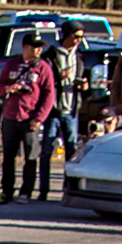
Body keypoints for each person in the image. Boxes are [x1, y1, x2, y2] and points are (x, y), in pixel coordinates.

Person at [0, 33, 56, 204]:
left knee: (30, 156)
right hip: (10, 116)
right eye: (35, 46)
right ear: (25, 47)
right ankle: (7, 189)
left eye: (40, 47)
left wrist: (39, 118)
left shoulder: (43, 67)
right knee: (8, 156)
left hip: (30, 118)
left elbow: (49, 95)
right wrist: (8, 88)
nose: (39, 50)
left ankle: (26, 191)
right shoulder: (12, 64)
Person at [43, 22, 95, 191]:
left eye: (81, 37)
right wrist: (59, 77)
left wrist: (84, 87)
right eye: (75, 36)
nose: (78, 40)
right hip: (54, 109)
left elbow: (83, 77)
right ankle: (43, 188)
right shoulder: (51, 55)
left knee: (71, 151)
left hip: (72, 108)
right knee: (46, 150)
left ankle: (69, 188)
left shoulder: (79, 56)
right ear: (66, 35)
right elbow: (45, 81)